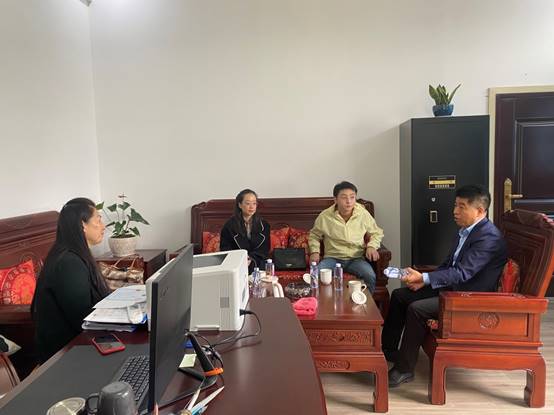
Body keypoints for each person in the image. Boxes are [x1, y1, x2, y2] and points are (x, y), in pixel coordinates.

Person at [383, 184, 507, 387]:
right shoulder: (465, 231)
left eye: (461, 207)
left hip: (470, 298)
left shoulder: (489, 237)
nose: (455, 211)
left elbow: (462, 273)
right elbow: (448, 266)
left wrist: (425, 278)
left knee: (417, 309)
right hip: (453, 288)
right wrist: (423, 281)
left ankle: (404, 369)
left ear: (479, 211)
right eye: (455, 205)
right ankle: (388, 351)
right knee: (399, 295)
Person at [32, 198, 110, 363]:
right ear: (83, 225)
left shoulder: (75, 254)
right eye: (98, 220)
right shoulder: (68, 262)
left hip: (80, 341)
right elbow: (82, 317)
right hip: (65, 352)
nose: (103, 226)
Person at [308, 181, 384, 293]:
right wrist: (315, 252)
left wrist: (371, 246)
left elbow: (377, 232)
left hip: (356, 258)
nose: (349, 201)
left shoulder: (362, 214)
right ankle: (320, 302)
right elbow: (314, 235)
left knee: (369, 275)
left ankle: (364, 303)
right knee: (315, 275)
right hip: (332, 258)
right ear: (335, 200)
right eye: (344, 197)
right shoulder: (325, 216)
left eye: (352, 197)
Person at [220, 189, 270, 273]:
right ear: (240, 205)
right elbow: (225, 249)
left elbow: (264, 250)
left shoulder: (264, 225)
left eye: (254, 203)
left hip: (258, 263)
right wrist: (242, 259)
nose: (252, 207)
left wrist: (251, 259)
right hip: (236, 264)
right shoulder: (229, 226)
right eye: (248, 203)